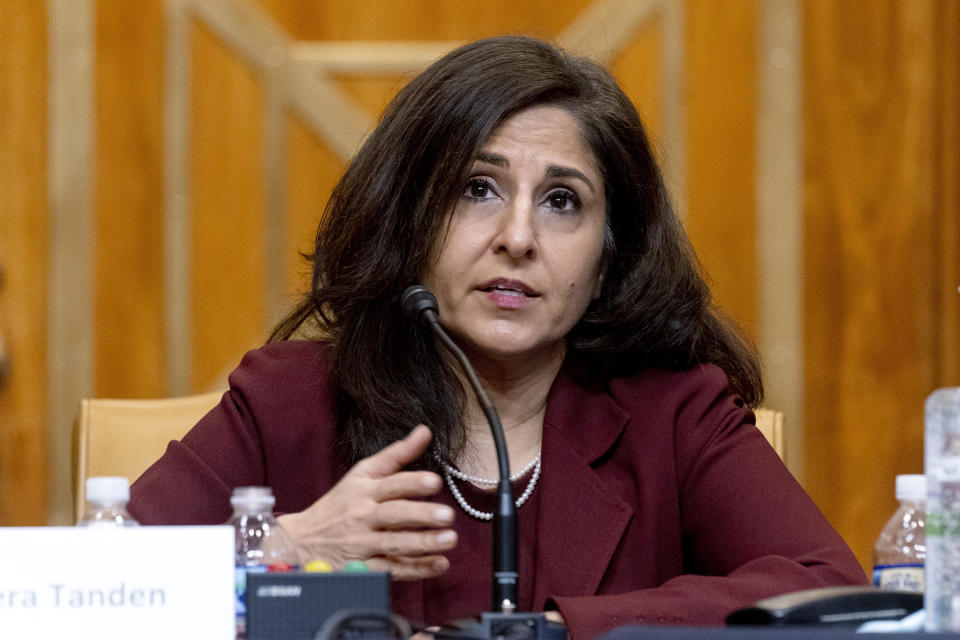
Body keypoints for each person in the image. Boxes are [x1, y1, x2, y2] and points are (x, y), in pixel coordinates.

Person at [129, 35, 866, 637]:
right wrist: (286, 550)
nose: (517, 238)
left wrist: (549, 631)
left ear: (609, 258)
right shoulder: (290, 402)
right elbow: (89, 593)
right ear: (412, 219)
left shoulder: (671, 415)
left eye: (562, 202)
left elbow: (824, 590)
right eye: (477, 189)